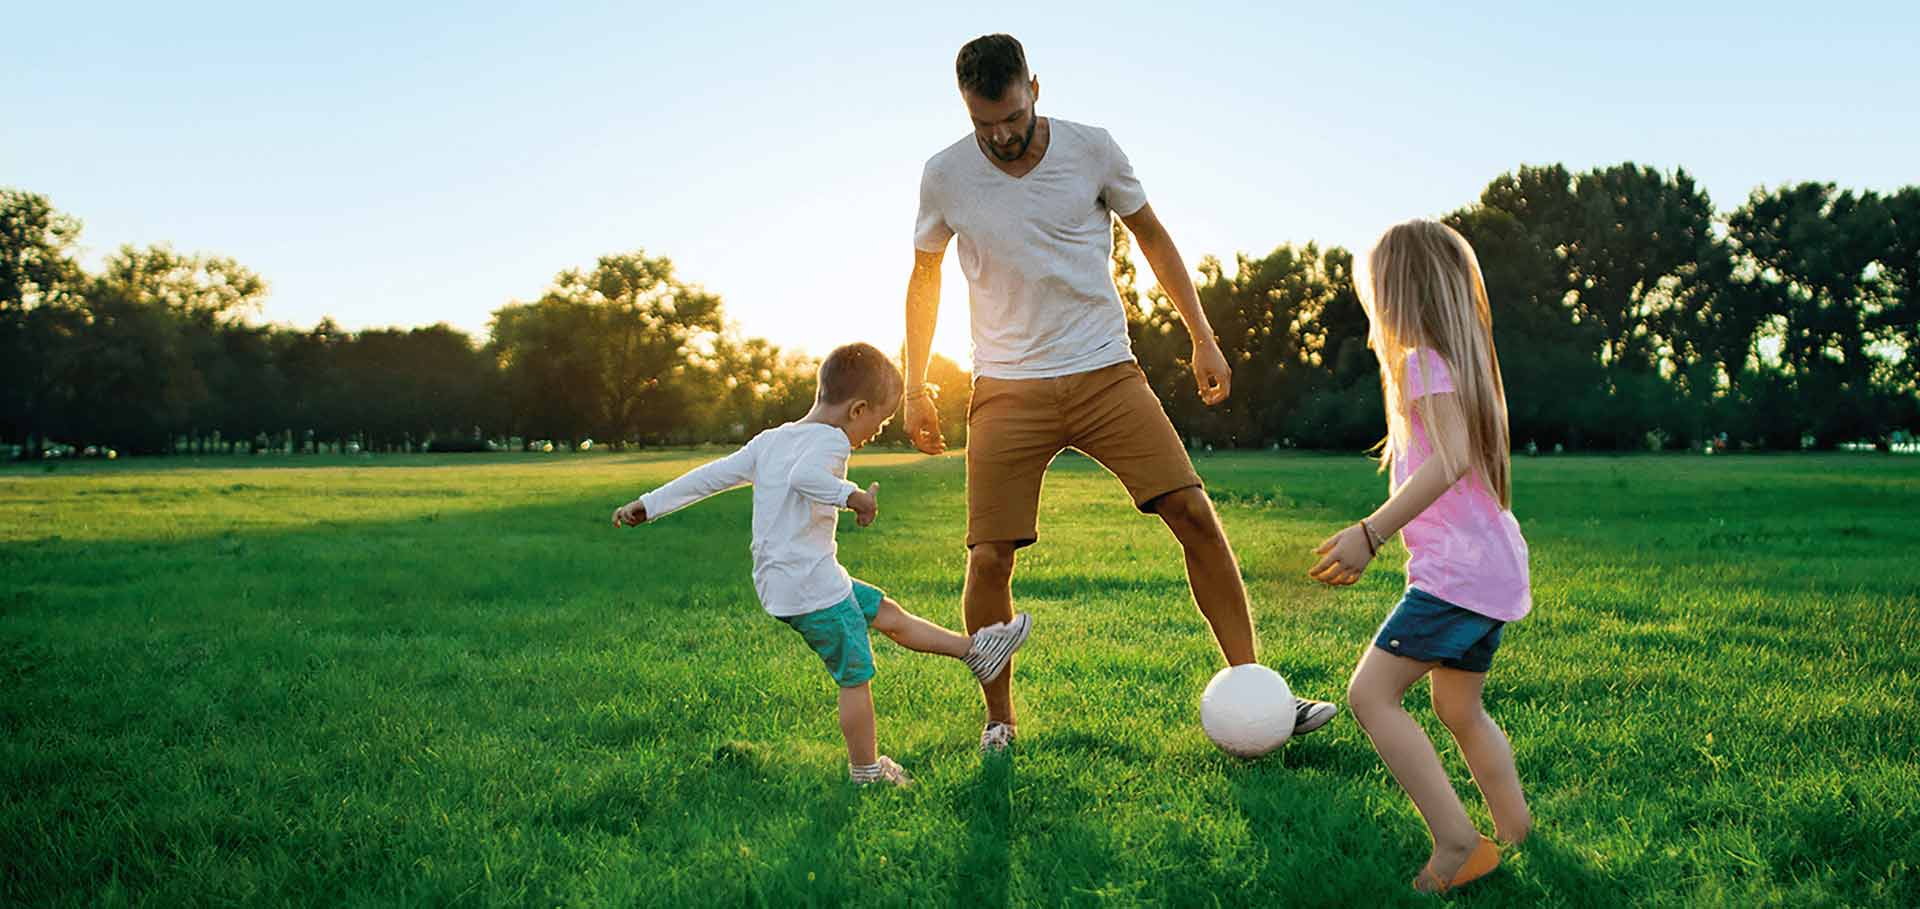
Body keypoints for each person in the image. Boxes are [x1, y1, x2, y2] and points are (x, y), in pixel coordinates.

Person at [903, 33, 1337, 752]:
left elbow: (1153, 237)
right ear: (966, 112)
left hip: (1105, 369)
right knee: (988, 557)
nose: (1002, 136)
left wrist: (1201, 333)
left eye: (1011, 116)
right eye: (985, 125)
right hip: (1006, 386)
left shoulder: (1092, 148)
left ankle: (1259, 691)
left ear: (1034, 88)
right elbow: (925, 277)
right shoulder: (944, 175)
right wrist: (915, 381)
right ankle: (999, 718)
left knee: (1193, 511)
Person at [613, 342, 1034, 785]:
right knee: (855, 675)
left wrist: (649, 504)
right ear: (858, 409)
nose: (877, 430)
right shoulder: (831, 441)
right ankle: (867, 772)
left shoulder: (771, 440)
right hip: (811, 588)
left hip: (793, 582)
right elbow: (806, 478)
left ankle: (975, 652)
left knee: (884, 612)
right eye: (880, 419)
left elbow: (711, 476)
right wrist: (852, 496)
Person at [1307, 220, 1533, 893]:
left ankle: (1458, 842)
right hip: (1490, 571)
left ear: (1397, 296)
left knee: (1370, 696)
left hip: (1457, 578)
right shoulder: (1462, 365)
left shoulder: (1424, 365)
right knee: (1460, 709)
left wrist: (1370, 533)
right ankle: (1518, 832)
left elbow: (1452, 461)